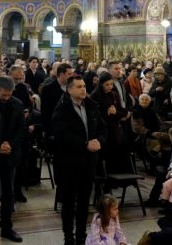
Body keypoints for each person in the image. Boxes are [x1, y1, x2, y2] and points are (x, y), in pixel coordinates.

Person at [53, 75, 106, 245]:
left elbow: (102, 127)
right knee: (69, 201)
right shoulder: (62, 108)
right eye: (78, 87)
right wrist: (84, 144)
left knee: (84, 201)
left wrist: (99, 141)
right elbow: (61, 134)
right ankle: (68, 236)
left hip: (88, 162)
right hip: (69, 162)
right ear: (69, 90)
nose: (83, 89)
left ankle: (81, 235)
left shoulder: (91, 105)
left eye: (84, 86)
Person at [0, 75, 26, 242]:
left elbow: (21, 129)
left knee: (8, 193)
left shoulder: (17, 104)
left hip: (10, 154)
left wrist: (10, 144)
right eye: (3, 95)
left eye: (9, 95)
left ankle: (7, 228)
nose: (7, 98)